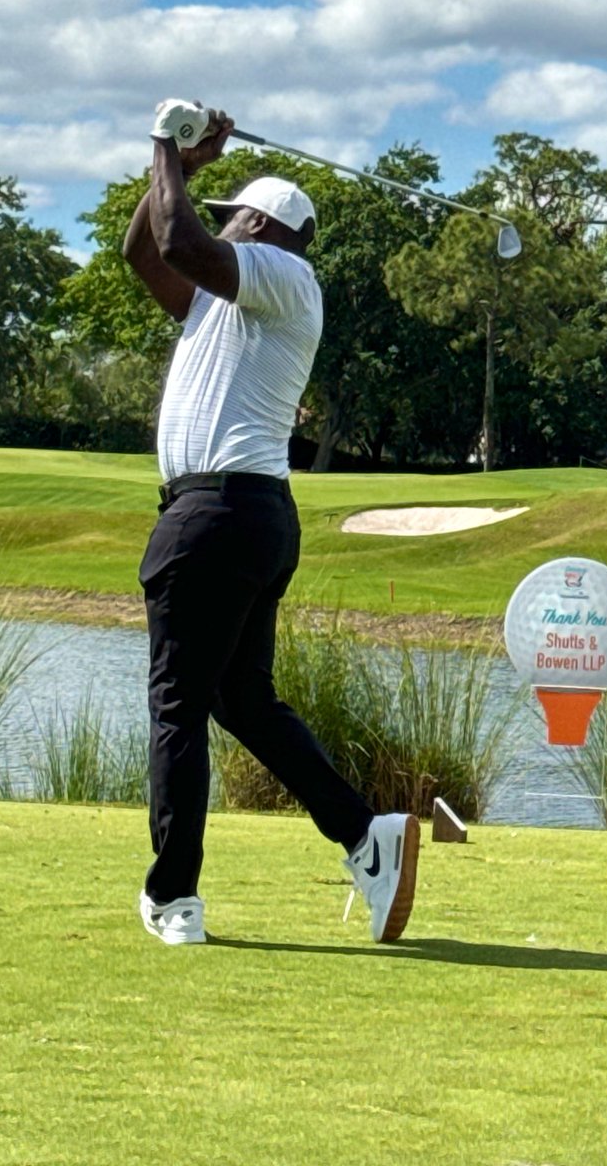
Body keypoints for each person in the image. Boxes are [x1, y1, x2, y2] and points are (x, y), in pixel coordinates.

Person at [122, 99, 418, 946]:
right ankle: (366, 835)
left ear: (261, 222)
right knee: (240, 699)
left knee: (177, 707)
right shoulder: (224, 304)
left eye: (232, 215)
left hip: (217, 514)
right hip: (240, 516)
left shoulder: (285, 278)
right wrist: (185, 160)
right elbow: (145, 249)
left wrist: (161, 145)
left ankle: (173, 897)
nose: (220, 226)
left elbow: (183, 241)